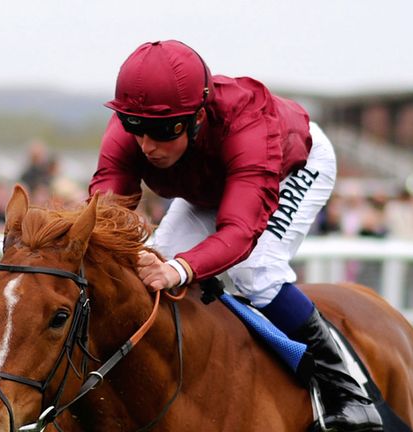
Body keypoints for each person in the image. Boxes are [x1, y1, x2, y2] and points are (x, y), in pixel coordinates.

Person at [89, 40, 381, 431]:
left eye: (160, 131)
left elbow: (240, 233)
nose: (146, 145)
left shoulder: (248, 127)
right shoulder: (134, 128)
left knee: (256, 271)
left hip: (292, 165)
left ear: (195, 118)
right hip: (213, 184)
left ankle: (345, 389)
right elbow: (107, 210)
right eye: (135, 129)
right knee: (153, 265)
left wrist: (181, 268)